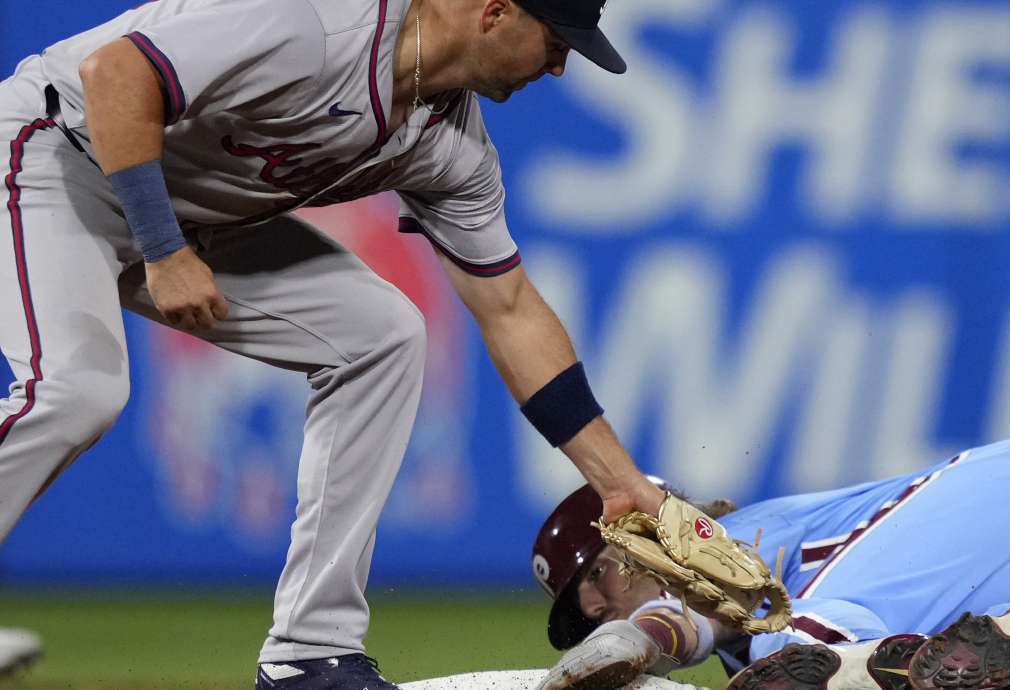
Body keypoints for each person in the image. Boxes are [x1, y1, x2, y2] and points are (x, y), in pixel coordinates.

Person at [0, 1, 666, 688]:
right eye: (556, 42)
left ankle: (308, 656)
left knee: (383, 336)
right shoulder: (319, 22)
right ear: (495, 12)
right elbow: (115, 72)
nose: (558, 67)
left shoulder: (452, 148)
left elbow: (510, 308)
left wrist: (619, 482)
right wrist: (162, 249)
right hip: (57, 151)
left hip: (188, 215)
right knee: (77, 390)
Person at [531, 434, 1010, 690]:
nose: (591, 606)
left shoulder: (736, 534)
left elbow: (699, 609)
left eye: (597, 573)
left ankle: (897, 664)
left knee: (778, 663)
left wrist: (632, 637)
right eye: (579, 613)